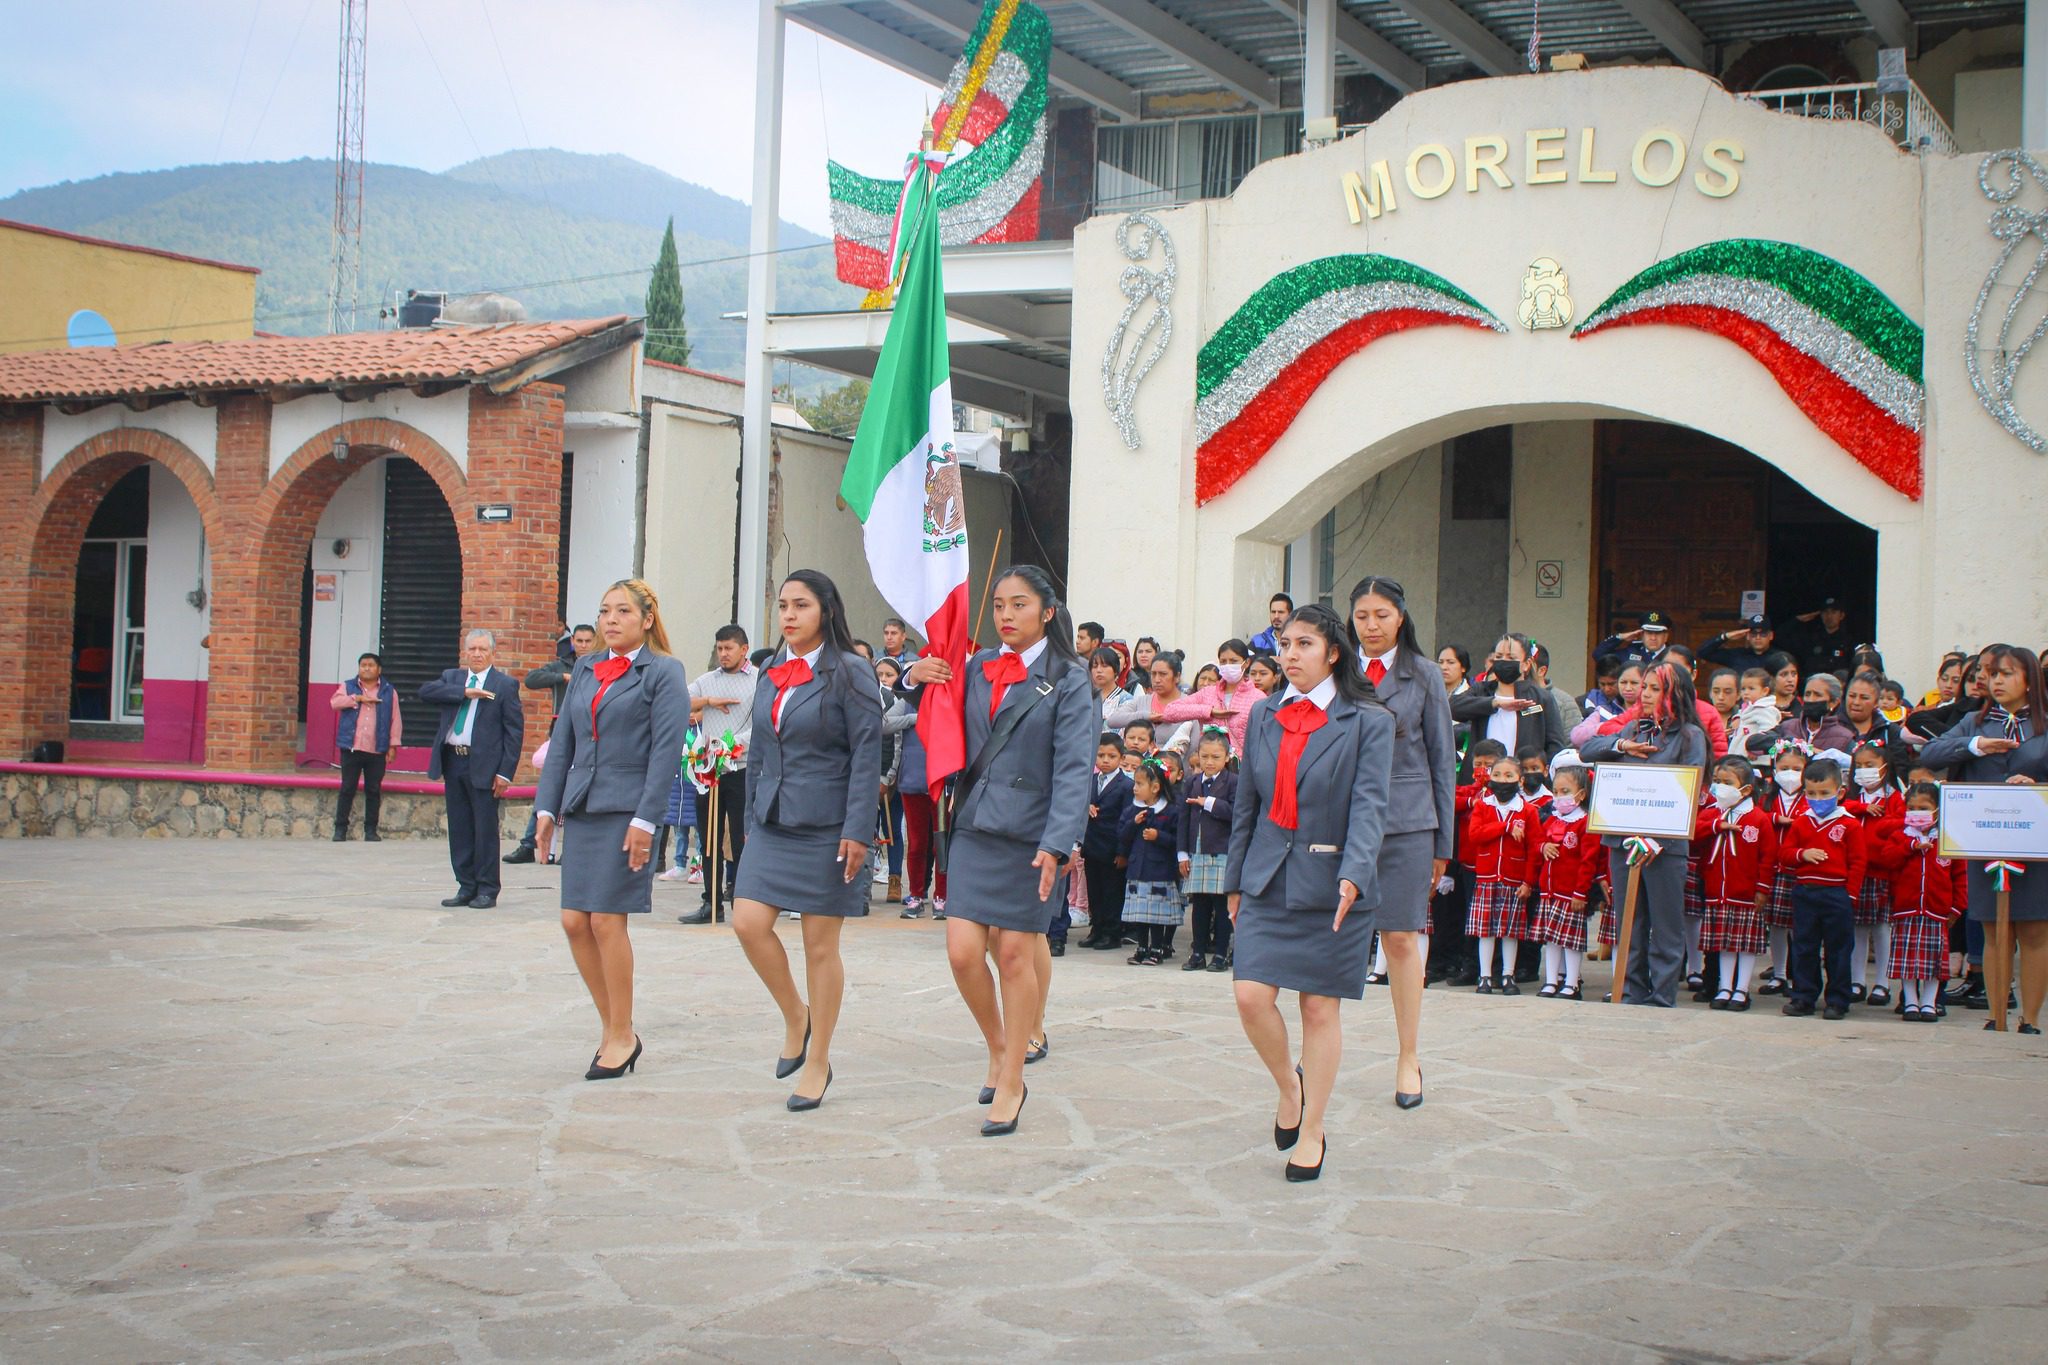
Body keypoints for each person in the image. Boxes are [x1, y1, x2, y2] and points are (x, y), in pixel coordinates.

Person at [903, 565, 1096, 1136]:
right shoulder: (980, 666)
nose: (1006, 615)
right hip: (977, 827)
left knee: (1014, 953)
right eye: (999, 606)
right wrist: (916, 676)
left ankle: (1012, 1076)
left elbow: (1074, 766)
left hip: (1033, 836)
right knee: (963, 953)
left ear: (1047, 612)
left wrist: (1059, 843)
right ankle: (998, 1044)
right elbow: (936, 713)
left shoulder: (1069, 677)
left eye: (1019, 605)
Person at [1225, 604, 1395, 1182]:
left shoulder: (1368, 720)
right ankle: (1288, 1087)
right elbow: (1246, 803)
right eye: (1284, 644)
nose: (1289, 655)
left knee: (1319, 1008)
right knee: (1250, 996)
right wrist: (1234, 880)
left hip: (1334, 885)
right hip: (1268, 878)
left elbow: (1372, 805)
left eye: (1302, 645)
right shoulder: (1266, 714)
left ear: (1333, 654)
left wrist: (1356, 872)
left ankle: (1314, 1128)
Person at [729, 571, 885, 1111]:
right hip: (772, 820)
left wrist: (857, 831)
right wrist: (750, 817)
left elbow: (868, 756)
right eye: (782, 605)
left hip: (829, 825)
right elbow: (759, 751)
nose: (789, 615)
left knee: (820, 947)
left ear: (826, 610)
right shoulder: (770, 670)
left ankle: (818, 1060)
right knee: (747, 923)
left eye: (801, 605)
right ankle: (797, 1014)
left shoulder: (851, 671)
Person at [532, 579, 690, 1081]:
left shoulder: (663, 671)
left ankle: (620, 1034)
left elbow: (666, 750)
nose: (611, 620)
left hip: (628, 812)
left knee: (606, 921)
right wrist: (545, 810)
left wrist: (648, 818)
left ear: (647, 618)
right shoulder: (584, 667)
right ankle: (614, 1028)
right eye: (604, 611)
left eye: (623, 611)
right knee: (574, 922)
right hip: (583, 807)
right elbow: (563, 743)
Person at [1348, 576, 1455, 1106]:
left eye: (1382, 615)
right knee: (1333, 935)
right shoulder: (1336, 671)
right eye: (1362, 615)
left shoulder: (1425, 675)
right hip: (1343, 822)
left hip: (1408, 823)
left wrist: (1444, 845)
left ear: (1401, 618)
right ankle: (1319, 1047)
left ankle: (1408, 1055)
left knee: (1400, 940)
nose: (1371, 625)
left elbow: (1442, 761)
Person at [1919, 644, 2048, 1033]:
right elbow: (1931, 752)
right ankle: (1996, 1013)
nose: (1997, 681)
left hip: (2033, 839)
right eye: (1992, 674)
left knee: (2034, 928)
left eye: (2006, 673)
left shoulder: (2043, 723)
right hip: (1985, 839)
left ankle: (2030, 1016)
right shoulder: (1976, 722)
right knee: (1993, 927)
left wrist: (2038, 785)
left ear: (2029, 679)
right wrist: (1976, 746)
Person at [1580, 662, 1711, 1007]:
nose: (1646, 694)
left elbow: (1692, 790)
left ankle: (1662, 994)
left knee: (1665, 925)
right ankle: (1630, 988)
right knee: (1630, 922)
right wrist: (1623, 745)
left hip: (1663, 845)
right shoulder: (1635, 729)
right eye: (1646, 687)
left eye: (1655, 688)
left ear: (1674, 693)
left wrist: (1659, 838)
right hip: (1622, 840)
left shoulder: (1690, 736)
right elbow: (1587, 750)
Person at [420, 629, 525, 909]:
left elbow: (514, 732)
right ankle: (465, 886)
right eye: (473, 649)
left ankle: (487, 889)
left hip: (485, 767)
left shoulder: (503, 685)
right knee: (460, 828)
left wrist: (505, 772)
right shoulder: (452, 678)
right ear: (465, 651)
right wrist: (463, 693)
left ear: (493, 653)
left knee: (484, 830)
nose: (477, 654)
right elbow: (425, 692)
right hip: (454, 761)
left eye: (483, 650)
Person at [1869, 781, 1967, 1022]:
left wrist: (1957, 907)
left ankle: (1929, 1003)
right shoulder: (1901, 836)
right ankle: (1911, 1001)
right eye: (1912, 808)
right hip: (1906, 909)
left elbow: (1961, 875)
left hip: (1937, 911)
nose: (1918, 813)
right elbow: (1888, 859)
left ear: (1937, 809)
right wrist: (1910, 846)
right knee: (1908, 961)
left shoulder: (1947, 839)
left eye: (1924, 808)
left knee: (1934, 963)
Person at [1776, 756, 1866, 1020]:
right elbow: (1785, 853)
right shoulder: (1803, 821)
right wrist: (1802, 854)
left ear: (1839, 792)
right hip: (1805, 891)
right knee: (1804, 946)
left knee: (1838, 949)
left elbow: (1858, 862)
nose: (1818, 799)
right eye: (1812, 793)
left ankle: (1838, 999)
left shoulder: (1848, 824)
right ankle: (1804, 996)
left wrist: (1850, 895)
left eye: (1824, 793)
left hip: (1837, 893)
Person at [680, 624, 756, 924]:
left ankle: (745, 901)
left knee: (740, 837)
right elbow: (678, 701)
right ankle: (711, 903)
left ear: (743, 649)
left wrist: (730, 744)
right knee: (709, 837)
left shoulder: (758, 680)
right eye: (720, 649)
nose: (723, 654)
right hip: (709, 770)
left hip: (741, 767)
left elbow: (763, 723)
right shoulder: (707, 680)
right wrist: (709, 702)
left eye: (729, 648)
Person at [508, 623, 598, 864]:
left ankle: (571, 849)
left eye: (588, 641)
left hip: (589, 737)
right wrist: (562, 677)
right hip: (560, 734)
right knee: (549, 789)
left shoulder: (601, 666)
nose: (583, 646)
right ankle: (530, 842)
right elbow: (531, 679)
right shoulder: (563, 665)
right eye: (579, 641)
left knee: (578, 791)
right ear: (573, 643)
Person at [1693, 755, 1775, 1010]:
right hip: (1717, 891)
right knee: (1724, 943)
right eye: (1717, 781)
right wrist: (1717, 826)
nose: (1720, 787)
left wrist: (1763, 888)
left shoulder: (1758, 819)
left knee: (1745, 945)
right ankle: (1725, 986)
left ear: (1746, 789)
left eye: (1727, 782)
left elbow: (1767, 857)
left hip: (1746, 893)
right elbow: (1693, 833)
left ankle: (1741, 989)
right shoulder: (1711, 814)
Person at [1465, 751, 1540, 994]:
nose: (1502, 779)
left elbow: (1534, 848)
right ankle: (1484, 976)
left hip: (1513, 879)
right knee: (1485, 930)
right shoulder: (1484, 806)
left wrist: (1528, 882)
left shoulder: (1527, 811)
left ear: (1520, 780)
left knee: (1510, 931)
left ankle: (1508, 975)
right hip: (1487, 878)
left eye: (1508, 775)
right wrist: (1504, 826)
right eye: (1497, 774)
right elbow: (1475, 835)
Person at [1528, 764, 1598, 999]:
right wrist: (1543, 846)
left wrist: (1581, 893)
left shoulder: (1584, 823)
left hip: (1570, 894)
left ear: (1581, 794)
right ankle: (1550, 980)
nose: (1559, 797)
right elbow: (1536, 841)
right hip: (1549, 891)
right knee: (1551, 939)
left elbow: (1588, 862)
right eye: (1556, 791)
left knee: (1571, 941)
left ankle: (1571, 982)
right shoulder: (1551, 820)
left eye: (1565, 791)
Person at [1453, 633, 1566, 760]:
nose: (1504, 662)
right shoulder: (1482, 690)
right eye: (1499, 657)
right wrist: (1494, 703)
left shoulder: (1541, 698)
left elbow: (1555, 745)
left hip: (1523, 775)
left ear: (1526, 664)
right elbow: (1453, 707)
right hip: (1480, 775)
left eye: (1511, 658)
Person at [1846, 741, 1900, 1005]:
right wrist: (1860, 808)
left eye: (1871, 765)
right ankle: (1857, 980)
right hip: (1856, 872)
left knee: (1881, 929)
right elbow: (1841, 807)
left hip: (1882, 873)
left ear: (1884, 768)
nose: (1865, 771)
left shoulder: (1894, 798)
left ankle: (1883, 982)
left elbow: (1901, 824)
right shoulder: (1853, 799)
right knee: (1857, 928)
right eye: (1860, 766)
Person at [1178, 728, 1237, 973]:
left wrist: (1209, 803)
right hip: (1197, 851)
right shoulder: (1192, 782)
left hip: (1222, 851)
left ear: (1227, 757)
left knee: (1222, 905)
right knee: (1199, 905)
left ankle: (1221, 953)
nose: (1209, 762)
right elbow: (1183, 819)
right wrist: (1182, 853)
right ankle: (1198, 952)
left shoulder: (1234, 782)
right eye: (1204, 757)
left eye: (1215, 757)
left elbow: (1237, 814)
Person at [1756, 741, 1811, 994]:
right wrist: (1774, 819)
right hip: (1774, 868)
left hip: (1800, 869)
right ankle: (1778, 974)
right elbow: (1755, 817)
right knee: (1776, 925)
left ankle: (1798, 974)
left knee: (1799, 925)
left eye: (1797, 768)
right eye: (1784, 767)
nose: (1790, 773)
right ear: (1775, 769)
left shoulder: (1810, 797)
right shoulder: (1767, 799)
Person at [1118, 756, 1183, 965]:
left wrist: (1159, 836)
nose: (1135, 788)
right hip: (1138, 869)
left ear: (1155, 787)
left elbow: (1177, 840)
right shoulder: (1132, 810)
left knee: (1156, 915)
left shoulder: (1170, 811)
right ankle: (1141, 948)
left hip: (1160, 871)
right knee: (1141, 914)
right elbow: (1120, 835)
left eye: (1139, 784)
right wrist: (1132, 824)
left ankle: (1157, 948)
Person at [330, 650, 400, 841]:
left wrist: (393, 746)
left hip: (377, 749)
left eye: (370, 665)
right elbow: (335, 703)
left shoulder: (388, 690)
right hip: (351, 747)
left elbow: (396, 719)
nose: (366, 668)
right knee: (347, 788)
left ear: (379, 669)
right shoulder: (348, 686)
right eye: (363, 665)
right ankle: (340, 829)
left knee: (373, 789)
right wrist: (357, 699)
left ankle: (370, 830)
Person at [1156, 639, 1264, 756]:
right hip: (1209, 764)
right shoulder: (1208, 693)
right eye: (1223, 661)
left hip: (1242, 768)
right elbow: (1170, 711)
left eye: (1233, 661)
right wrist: (1208, 711)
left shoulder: (1258, 698)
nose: (1228, 666)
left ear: (1246, 663)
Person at [1079, 733, 1134, 950]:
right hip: (1092, 846)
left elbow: (1128, 818)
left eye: (1111, 756)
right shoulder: (1090, 781)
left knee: (1112, 892)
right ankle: (1097, 929)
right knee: (1095, 891)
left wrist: (1123, 852)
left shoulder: (1126, 785)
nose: (1105, 760)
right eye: (1100, 755)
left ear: (1121, 758)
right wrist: (1087, 807)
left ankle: (1112, 933)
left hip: (1113, 848)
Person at [1777, 672, 1857, 753]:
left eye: (1817, 695)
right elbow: (1766, 740)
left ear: (1833, 702)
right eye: (1807, 694)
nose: (1810, 699)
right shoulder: (1787, 727)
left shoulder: (1845, 738)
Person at [1791, 597, 1856, 678]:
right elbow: (1781, 638)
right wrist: (1797, 620)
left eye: (1833, 612)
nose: (1829, 616)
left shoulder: (1848, 641)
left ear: (1841, 615)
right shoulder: (1811, 638)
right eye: (1825, 612)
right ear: (1820, 615)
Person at [1529, 642, 1584, 735]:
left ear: (1542, 670)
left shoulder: (1565, 702)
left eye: (1528, 666)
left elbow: (1572, 743)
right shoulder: (1509, 697)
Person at [1594, 609, 1673, 672]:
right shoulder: (1631, 652)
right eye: (1649, 633)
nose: (1653, 638)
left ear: (1666, 636)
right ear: (1641, 635)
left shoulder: (1673, 655)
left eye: (1658, 633)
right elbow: (1599, 655)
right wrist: (1620, 637)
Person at [1727, 667, 1783, 754]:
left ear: (1765, 691)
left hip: (1755, 759)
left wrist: (1756, 750)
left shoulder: (1765, 709)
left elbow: (1768, 733)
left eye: (1751, 688)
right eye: (1743, 688)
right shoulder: (1747, 708)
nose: (1746, 692)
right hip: (1740, 755)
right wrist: (1737, 718)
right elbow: (1743, 716)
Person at [1699, 615, 1779, 676]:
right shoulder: (1737, 655)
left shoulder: (1779, 657)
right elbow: (1703, 653)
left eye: (1763, 634)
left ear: (1771, 635)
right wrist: (1725, 636)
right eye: (1753, 634)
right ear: (1747, 636)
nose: (1758, 638)